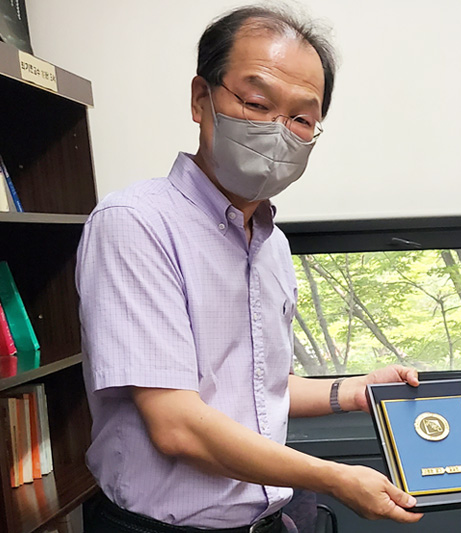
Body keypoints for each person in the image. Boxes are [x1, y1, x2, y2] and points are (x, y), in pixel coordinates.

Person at [75, 5, 422, 532]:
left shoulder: (270, 244)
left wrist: (354, 391)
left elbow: (257, 386)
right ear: (201, 99)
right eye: (258, 104)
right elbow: (177, 424)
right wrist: (333, 478)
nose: (279, 132)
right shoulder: (135, 223)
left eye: (301, 119)